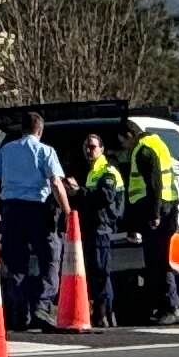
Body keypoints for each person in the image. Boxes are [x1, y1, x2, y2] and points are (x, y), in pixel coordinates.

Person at [0, 111, 66, 327]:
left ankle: (20, 314)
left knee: (16, 264)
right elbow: (56, 184)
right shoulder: (45, 151)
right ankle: (42, 306)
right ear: (39, 130)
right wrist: (67, 211)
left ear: (22, 129)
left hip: (11, 210)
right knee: (50, 258)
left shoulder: (6, 150)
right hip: (38, 211)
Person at [122, 128, 178, 325]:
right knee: (160, 261)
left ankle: (169, 307)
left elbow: (154, 182)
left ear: (129, 136)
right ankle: (169, 306)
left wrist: (154, 214)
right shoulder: (157, 143)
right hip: (166, 208)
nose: (124, 148)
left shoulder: (144, 150)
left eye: (123, 143)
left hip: (157, 212)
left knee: (157, 262)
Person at [71, 130, 123, 323]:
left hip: (103, 227)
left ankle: (105, 313)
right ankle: (100, 312)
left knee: (102, 271)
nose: (88, 150)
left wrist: (79, 192)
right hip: (92, 227)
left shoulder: (107, 171)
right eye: (86, 146)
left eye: (92, 146)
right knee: (94, 271)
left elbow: (104, 198)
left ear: (101, 149)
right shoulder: (91, 172)